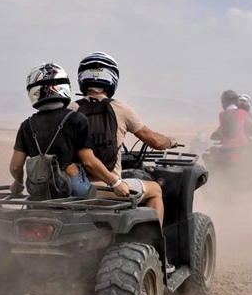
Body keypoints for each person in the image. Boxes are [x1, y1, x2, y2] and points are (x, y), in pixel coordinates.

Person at [71, 52, 177, 224]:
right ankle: (152, 242)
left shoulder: (70, 109)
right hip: (105, 189)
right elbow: (154, 141)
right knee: (156, 189)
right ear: (112, 78)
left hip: (74, 186)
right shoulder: (121, 109)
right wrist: (170, 141)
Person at [9, 63, 125, 199]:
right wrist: (115, 182)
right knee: (130, 196)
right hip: (73, 189)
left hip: (40, 192)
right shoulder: (76, 119)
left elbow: (16, 167)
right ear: (64, 86)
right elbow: (88, 161)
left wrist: (18, 183)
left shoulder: (26, 125)